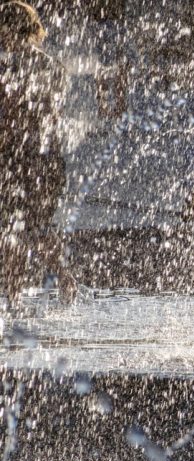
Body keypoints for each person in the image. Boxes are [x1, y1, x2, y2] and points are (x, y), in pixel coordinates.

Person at [0, 1, 72, 305]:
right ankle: (13, 298)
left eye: (4, 30)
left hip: (37, 159)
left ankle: (66, 285)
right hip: (23, 159)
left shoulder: (37, 65)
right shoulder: (40, 65)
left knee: (32, 231)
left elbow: (37, 116)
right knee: (11, 232)